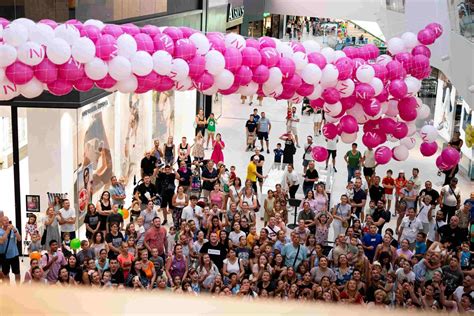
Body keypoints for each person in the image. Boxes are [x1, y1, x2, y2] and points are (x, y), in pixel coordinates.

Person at [0, 216, 22, 283]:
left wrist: (15, 230)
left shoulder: (13, 229)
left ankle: (18, 287)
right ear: (1, 222)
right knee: (6, 273)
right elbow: (1, 241)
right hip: (4, 256)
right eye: (4, 220)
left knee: (17, 272)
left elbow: (19, 239)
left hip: (14, 254)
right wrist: (7, 231)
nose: (6, 221)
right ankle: (8, 287)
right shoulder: (0, 231)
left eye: (7, 220)